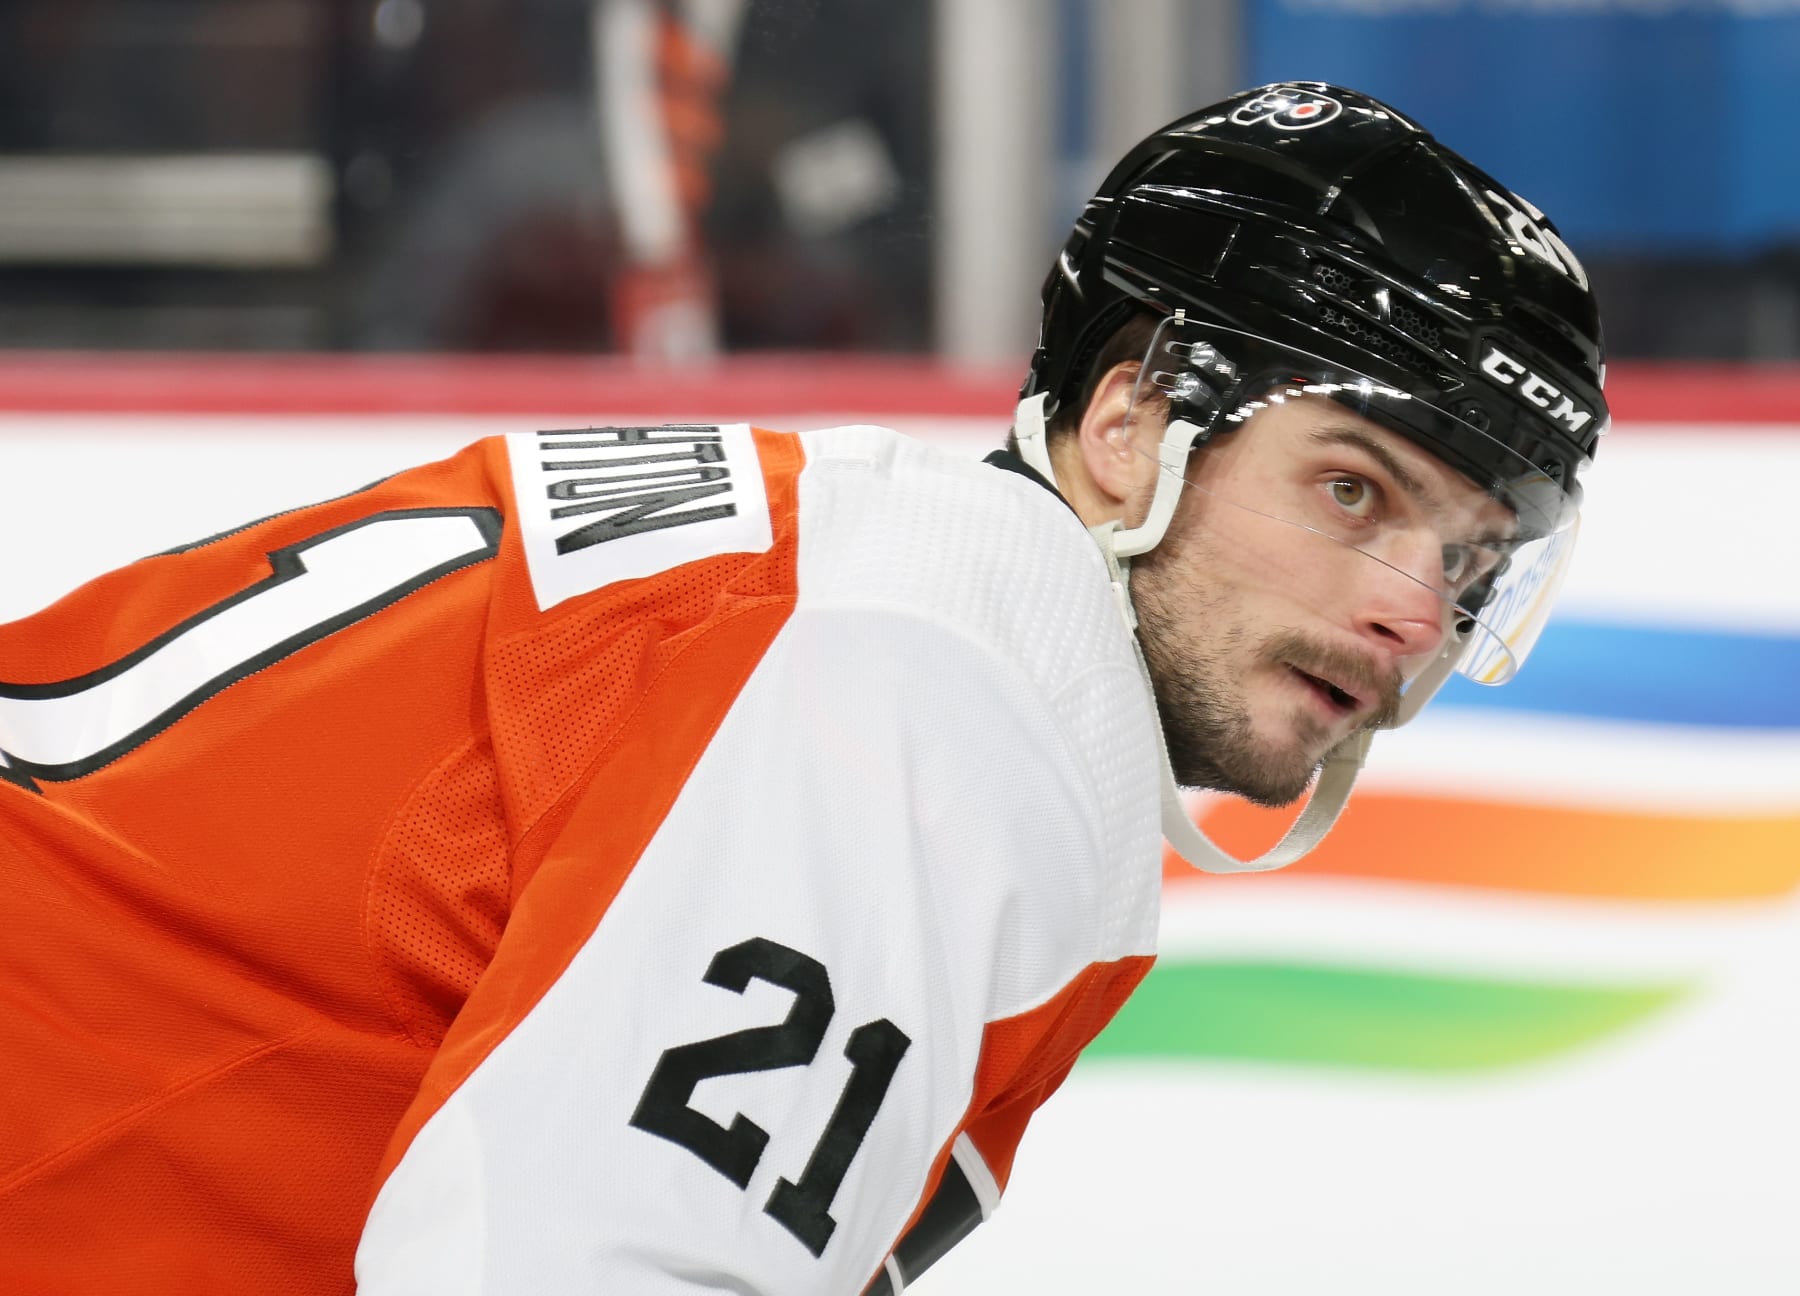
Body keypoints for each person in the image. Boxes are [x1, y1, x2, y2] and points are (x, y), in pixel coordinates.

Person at [0, 82, 1605, 1294]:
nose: (1413, 617)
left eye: (1471, 564)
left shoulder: (867, 574)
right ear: (1131, 427)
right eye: (1355, 493)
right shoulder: (942, 682)